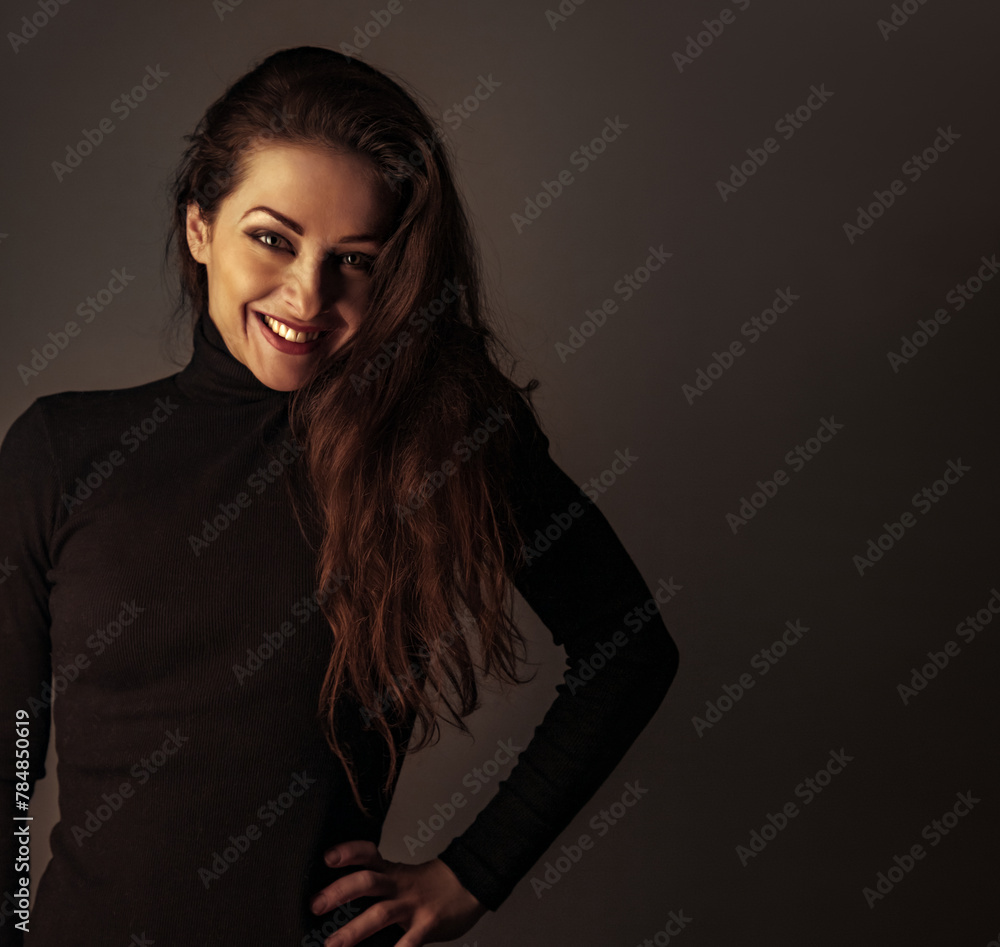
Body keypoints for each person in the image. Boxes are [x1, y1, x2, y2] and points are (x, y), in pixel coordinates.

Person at [0, 46, 679, 946]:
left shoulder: (438, 443)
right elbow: (10, 741)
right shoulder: (62, 447)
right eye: (272, 238)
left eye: (354, 258)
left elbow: (628, 648)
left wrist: (474, 873)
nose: (308, 294)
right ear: (200, 227)